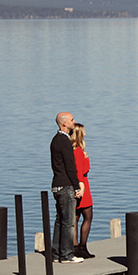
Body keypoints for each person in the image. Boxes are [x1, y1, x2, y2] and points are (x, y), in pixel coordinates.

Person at [50, 111, 84, 264]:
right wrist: (76, 187)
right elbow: (70, 166)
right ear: (64, 123)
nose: (73, 122)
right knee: (69, 221)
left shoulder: (55, 140)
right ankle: (67, 254)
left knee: (59, 220)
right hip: (66, 185)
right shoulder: (64, 141)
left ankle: (56, 253)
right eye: (71, 120)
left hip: (56, 185)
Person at [70, 122, 95, 258]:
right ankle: (81, 246)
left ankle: (75, 246)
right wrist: (81, 187)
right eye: (83, 132)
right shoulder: (78, 151)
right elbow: (80, 171)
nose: (85, 134)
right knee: (88, 216)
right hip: (82, 184)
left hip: (77, 184)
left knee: (75, 216)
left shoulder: (72, 150)